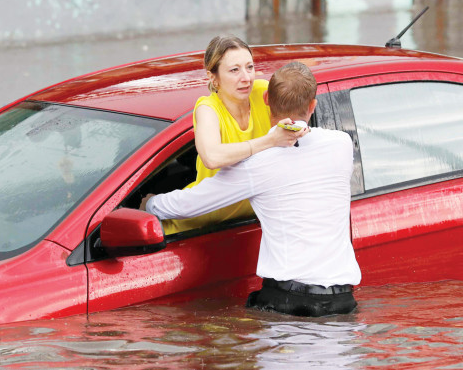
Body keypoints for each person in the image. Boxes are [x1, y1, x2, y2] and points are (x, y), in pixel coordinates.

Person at [146, 62, 361, 316]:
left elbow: (188, 204)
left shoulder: (257, 165)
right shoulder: (342, 144)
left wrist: (149, 203)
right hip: (343, 304)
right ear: (312, 105)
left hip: (288, 303)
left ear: (266, 99)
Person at [164, 35, 305, 234]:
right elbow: (212, 157)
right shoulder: (208, 108)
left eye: (250, 67)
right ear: (213, 77)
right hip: (198, 225)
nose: (246, 78)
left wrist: (297, 128)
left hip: (251, 224)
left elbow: (298, 116)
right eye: (234, 70)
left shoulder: (263, 92)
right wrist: (271, 140)